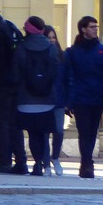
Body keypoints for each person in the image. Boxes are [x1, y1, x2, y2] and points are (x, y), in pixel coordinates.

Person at [64, 15, 103, 179]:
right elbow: (67, 76)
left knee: (92, 132)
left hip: (97, 99)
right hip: (80, 99)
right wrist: (68, 100)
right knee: (84, 131)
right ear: (83, 29)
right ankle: (87, 162)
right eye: (92, 27)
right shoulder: (73, 52)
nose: (95, 29)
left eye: (96, 27)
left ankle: (86, 162)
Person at [15, 16, 60, 176]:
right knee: (43, 133)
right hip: (46, 98)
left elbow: (17, 71)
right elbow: (55, 70)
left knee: (32, 133)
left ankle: (38, 164)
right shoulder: (50, 48)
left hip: (26, 98)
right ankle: (42, 162)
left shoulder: (21, 47)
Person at [0, 10, 26, 173]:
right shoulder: (9, 26)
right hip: (14, 81)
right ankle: (20, 161)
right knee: (14, 123)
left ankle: (4, 160)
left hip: (1, 83)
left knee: (2, 123)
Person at [43, 25, 67, 176]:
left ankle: (55, 157)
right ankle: (46, 163)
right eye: (49, 37)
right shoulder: (41, 55)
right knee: (44, 133)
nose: (52, 40)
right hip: (44, 99)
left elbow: (66, 78)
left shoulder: (62, 56)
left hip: (59, 99)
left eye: (54, 37)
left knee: (58, 130)